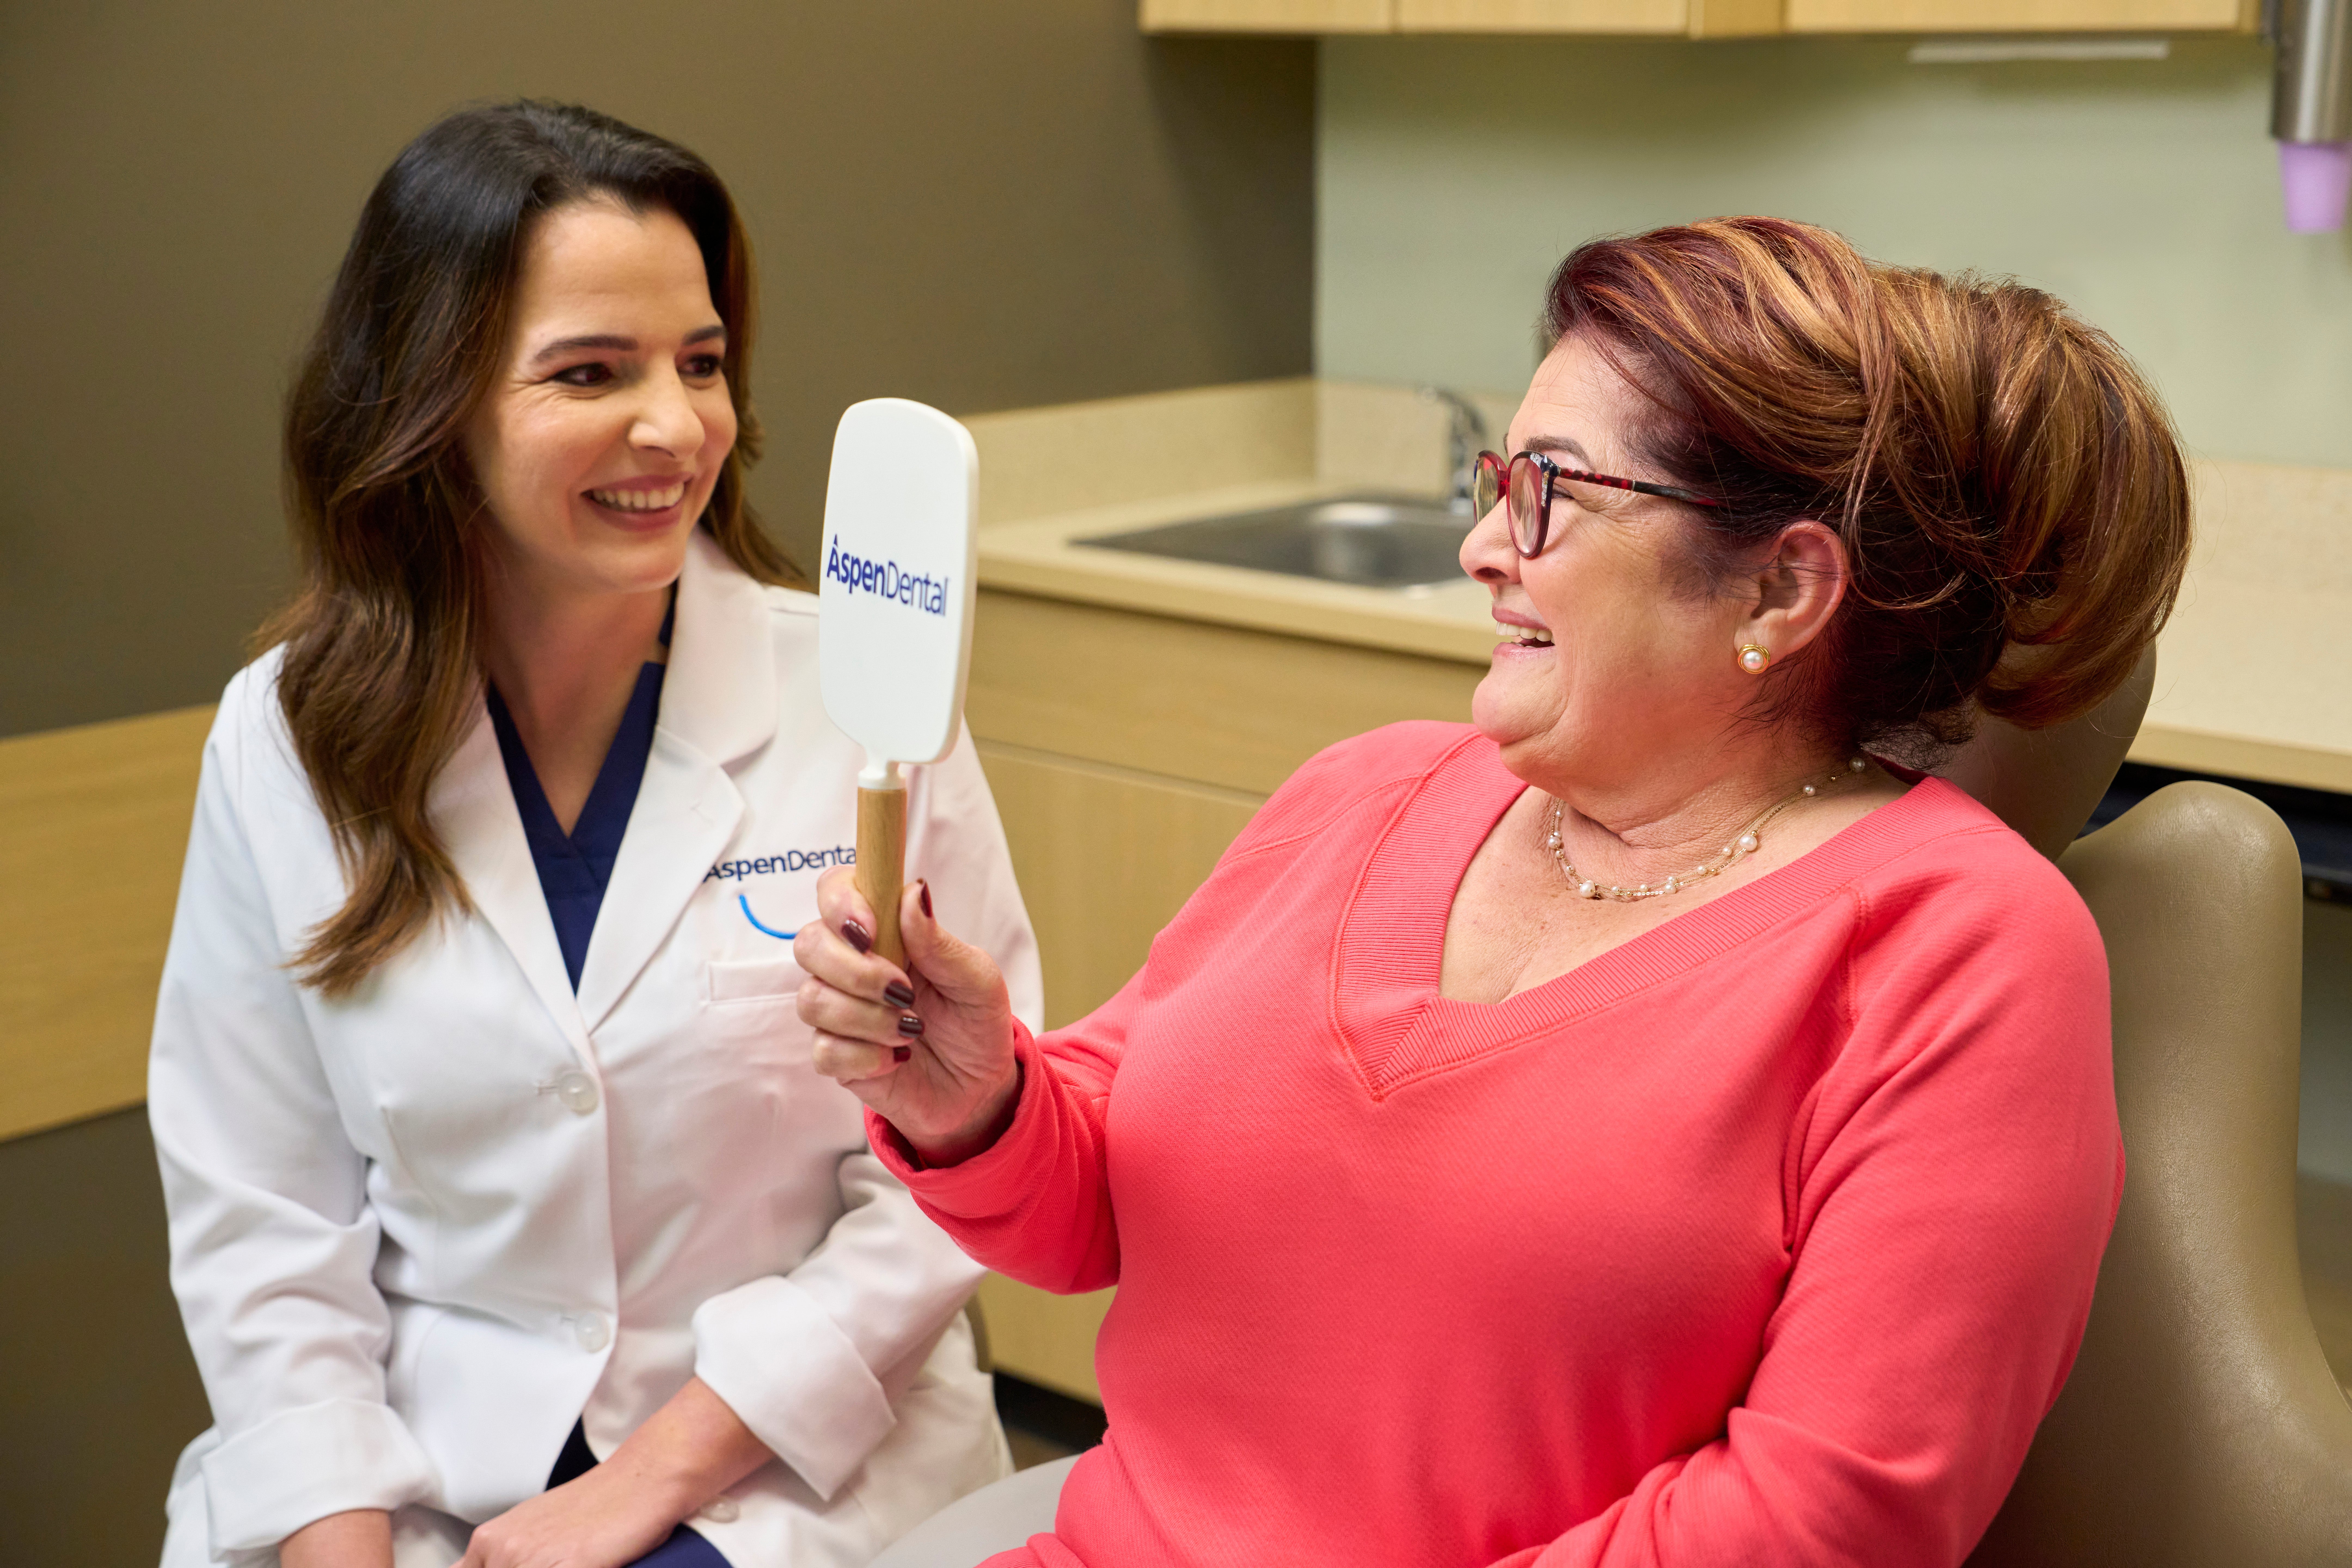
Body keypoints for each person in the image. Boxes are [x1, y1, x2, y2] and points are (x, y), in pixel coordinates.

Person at [793, 217, 2192, 1567]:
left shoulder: (1963, 950)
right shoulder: (1368, 792)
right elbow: (1100, 1200)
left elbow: (1828, 1523)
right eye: (1496, 481)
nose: (1481, 548)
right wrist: (980, 1103)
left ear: (1778, 594)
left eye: (1553, 493)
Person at [150, 101, 1041, 1568]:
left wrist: (647, 1484)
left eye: (702, 364)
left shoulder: (863, 714)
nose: (678, 425)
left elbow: (944, 1185)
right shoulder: (287, 740)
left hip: (790, 1468)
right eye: (591, 372)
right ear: (425, 407)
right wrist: (336, 1538)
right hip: (417, 1466)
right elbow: (264, 1212)